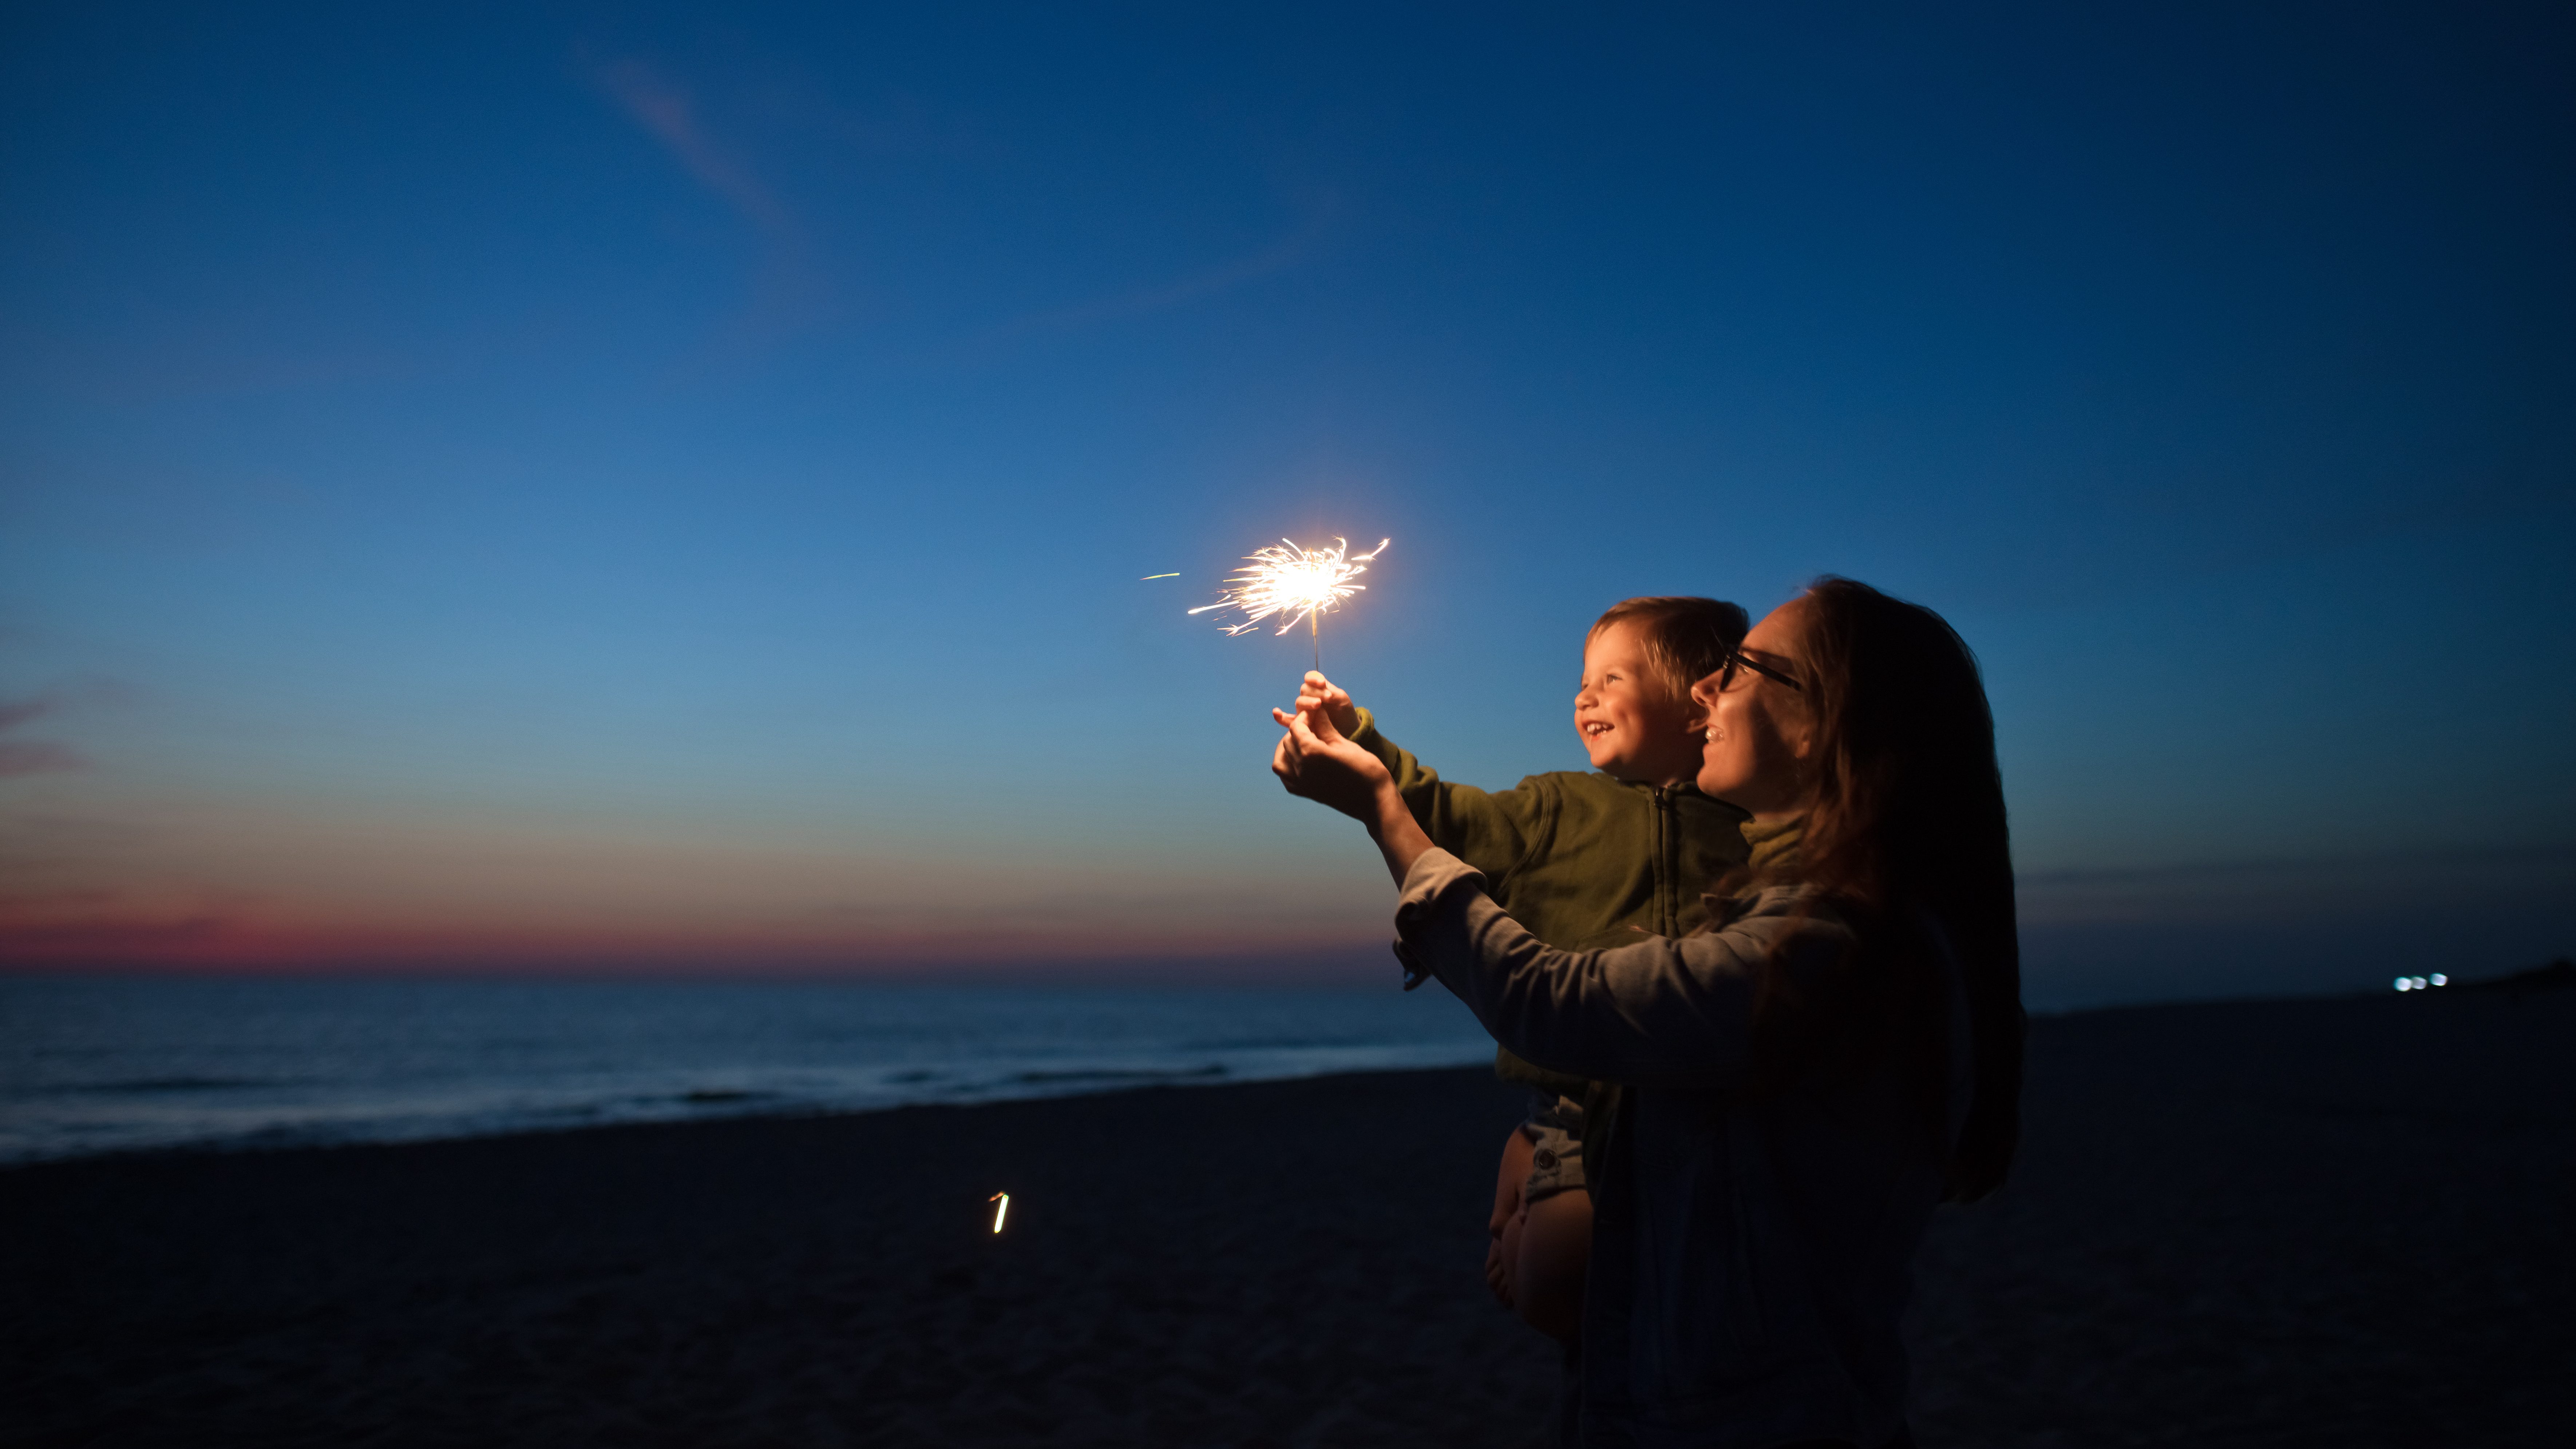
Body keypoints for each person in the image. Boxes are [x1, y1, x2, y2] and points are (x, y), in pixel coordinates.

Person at [1272, 578, 2023, 1448]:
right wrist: (1538, 1131)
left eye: (1740, 670)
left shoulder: (1829, 950)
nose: (1707, 686)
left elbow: (1547, 1003)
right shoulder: (1806, 918)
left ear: (1821, 721)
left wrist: (1380, 811)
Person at [1294, 596, 1753, 1342]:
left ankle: (1532, 1209)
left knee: (1614, 1308)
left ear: (1702, 702)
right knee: (1569, 1293)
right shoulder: (1553, 806)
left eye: (1614, 677)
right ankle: (1530, 1168)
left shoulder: (1747, 826)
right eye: (1582, 678)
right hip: (1573, 1101)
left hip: (1687, 1107)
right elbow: (1444, 815)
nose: (1584, 694)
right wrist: (1362, 743)